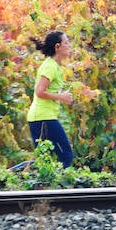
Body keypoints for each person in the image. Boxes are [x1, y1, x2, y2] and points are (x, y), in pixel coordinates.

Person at [27, 30, 77, 167]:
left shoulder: (53, 66)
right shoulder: (50, 67)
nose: (69, 45)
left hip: (40, 118)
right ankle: (63, 186)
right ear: (57, 47)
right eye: (66, 43)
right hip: (43, 118)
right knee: (66, 155)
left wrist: (61, 96)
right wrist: (61, 97)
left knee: (45, 160)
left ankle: (40, 184)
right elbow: (39, 91)